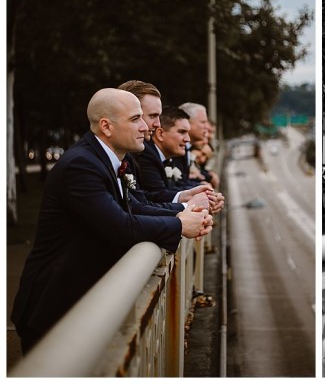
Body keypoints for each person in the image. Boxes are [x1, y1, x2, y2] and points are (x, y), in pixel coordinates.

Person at [12, 89, 212, 352]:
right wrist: (181, 224)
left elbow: (135, 206)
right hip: (55, 302)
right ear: (106, 126)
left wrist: (183, 210)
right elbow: (120, 225)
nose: (145, 127)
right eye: (135, 119)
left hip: (80, 300)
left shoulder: (107, 159)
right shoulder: (81, 165)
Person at [117, 81, 214, 210]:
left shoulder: (130, 154)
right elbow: (133, 211)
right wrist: (186, 209)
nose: (158, 124)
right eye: (152, 116)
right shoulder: (141, 153)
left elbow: (139, 202)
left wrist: (188, 196)